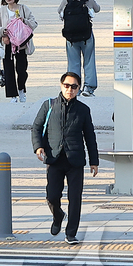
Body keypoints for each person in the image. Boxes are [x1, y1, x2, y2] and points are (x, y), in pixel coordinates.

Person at [31, 73, 99, 243]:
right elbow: (36, 128)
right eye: (67, 85)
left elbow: (90, 137)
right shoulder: (49, 106)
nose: (70, 89)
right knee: (52, 196)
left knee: (75, 198)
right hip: (54, 158)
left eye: (74, 86)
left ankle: (71, 233)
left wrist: (94, 161)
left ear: (78, 88)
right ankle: (58, 215)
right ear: (61, 86)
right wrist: (38, 147)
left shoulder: (83, 110)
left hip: (75, 160)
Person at [57, 0, 101, 96]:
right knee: (89, 60)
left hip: (71, 37)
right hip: (86, 35)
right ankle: (88, 87)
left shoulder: (66, 1)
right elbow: (97, 9)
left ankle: (74, 87)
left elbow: (59, 11)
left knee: (73, 62)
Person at [0, 0, 36, 103]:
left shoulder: (23, 8)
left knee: (22, 69)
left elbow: (34, 23)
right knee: (8, 69)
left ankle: (21, 89)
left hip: (21, 44)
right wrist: (2, 31)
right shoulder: (1, 10)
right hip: (7, 44)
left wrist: (24, 21)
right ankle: (12, 95)